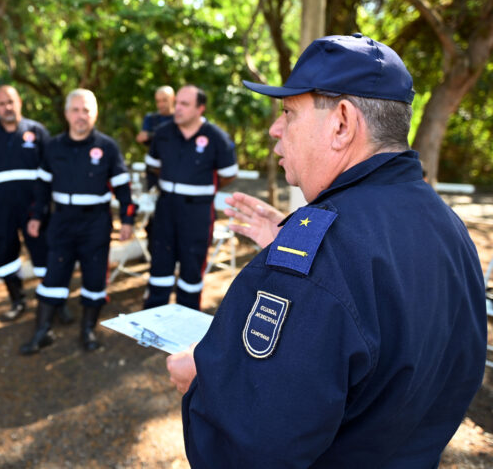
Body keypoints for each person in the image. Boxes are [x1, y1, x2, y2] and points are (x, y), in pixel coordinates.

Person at [166, 34, 487, 467]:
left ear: (341, 123)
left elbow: (248, 447)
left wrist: (200, 382)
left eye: (288, 112)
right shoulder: (448, 228)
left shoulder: (320, 253)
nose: (274, 129)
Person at [20, 88, 135, 354]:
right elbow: (41, 187)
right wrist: (36, 216)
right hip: (61, 221)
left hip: (96, 223)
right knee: (53, 276)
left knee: (95, 279)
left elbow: (123, 188)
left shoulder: (107, 147)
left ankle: (88, 330)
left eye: (86, 110)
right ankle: (42, 331)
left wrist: (127, 219)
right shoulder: (53, 146)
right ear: (67, 113)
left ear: (94, 114)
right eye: (76, 110)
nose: (81, 116)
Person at [0, 85, 71, 323]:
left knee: (45, 257)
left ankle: (56, 303)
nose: (7, 108)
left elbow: (52, 172)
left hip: (35, 211)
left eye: (11, 102)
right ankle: (17, 301)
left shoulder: (37, 132)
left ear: (20, 102)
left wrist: (44, 207)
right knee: (6, 257)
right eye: (2, 104)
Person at [143, 85, 237, 311]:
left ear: (199, 108)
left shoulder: (216, 137)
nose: (178, 109)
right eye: (177, 103)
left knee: (192, 268)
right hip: (166, 208)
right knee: (160, 264)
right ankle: (154, 315)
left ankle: (187, 318)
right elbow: (153, 166)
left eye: (185, 104)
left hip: (197, 212)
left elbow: (228, 174)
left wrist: (195, 188)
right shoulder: (163, 134)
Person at [136, 85, 175, 190]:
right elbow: (143, 137)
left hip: (175, 168)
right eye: (158, 101)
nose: (161, 104)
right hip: (154, 168)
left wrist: (151, 136)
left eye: (164, 100)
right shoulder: (151, 118)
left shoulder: (179, 118)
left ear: (173, 99)